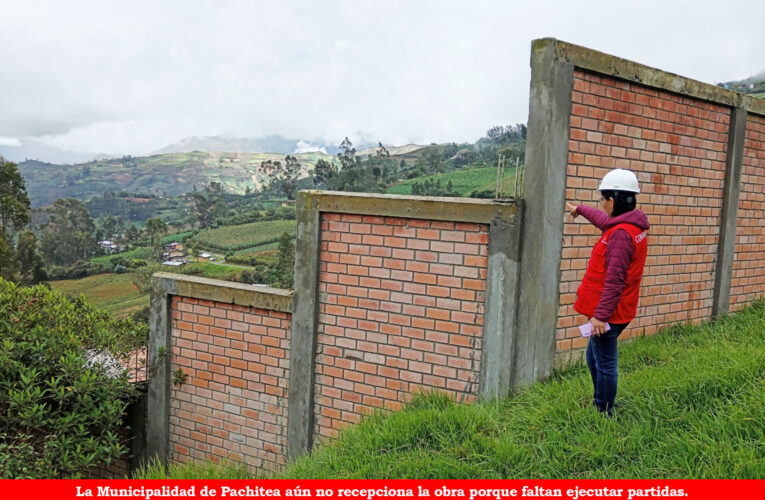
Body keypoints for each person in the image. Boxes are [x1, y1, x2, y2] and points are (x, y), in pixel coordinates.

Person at [565, 168, 649, 417]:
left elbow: (615, 281)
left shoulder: (621, 236)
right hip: (618, 309)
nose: (600, 205)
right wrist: (579, 210)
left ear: (613, 200)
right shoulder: (629, 225)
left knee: (605, 364)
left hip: (609, 314)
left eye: (602, 199)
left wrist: (600, 317)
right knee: (594, 359)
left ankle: (603, 412)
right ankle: (601, 404)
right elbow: (604, 221)